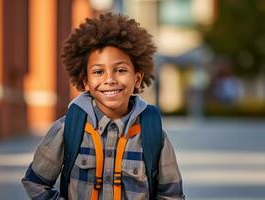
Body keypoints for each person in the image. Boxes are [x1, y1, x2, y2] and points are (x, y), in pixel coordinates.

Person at [22, 12, 185, 200]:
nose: (109, 79)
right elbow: (35, 182)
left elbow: (172, 195)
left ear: (137, 79)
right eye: (98, 71)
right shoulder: (68, 129)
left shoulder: (152, 133)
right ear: (85, 82)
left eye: (121, 70)